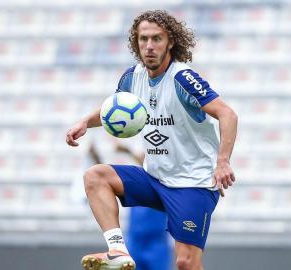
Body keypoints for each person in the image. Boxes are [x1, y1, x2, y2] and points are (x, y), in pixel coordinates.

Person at [66, 9, 238, 270]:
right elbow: (112, 108)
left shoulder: (183, 78)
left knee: (186, 263)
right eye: (143, 39)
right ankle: (117, 250)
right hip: (155, 179)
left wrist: (222, 162)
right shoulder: (132, 77)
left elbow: (228, 114)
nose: (149, 46)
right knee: (95, 176)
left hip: (192, 184)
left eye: (157, 39)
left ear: (170, 41)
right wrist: (85, 123)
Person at [115, 144, 172, 270]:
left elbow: (150, 169)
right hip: (135, 242)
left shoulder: (164, 184)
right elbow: (107, 180)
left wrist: (129, 151)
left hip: (156, 244)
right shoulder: (135, 186)